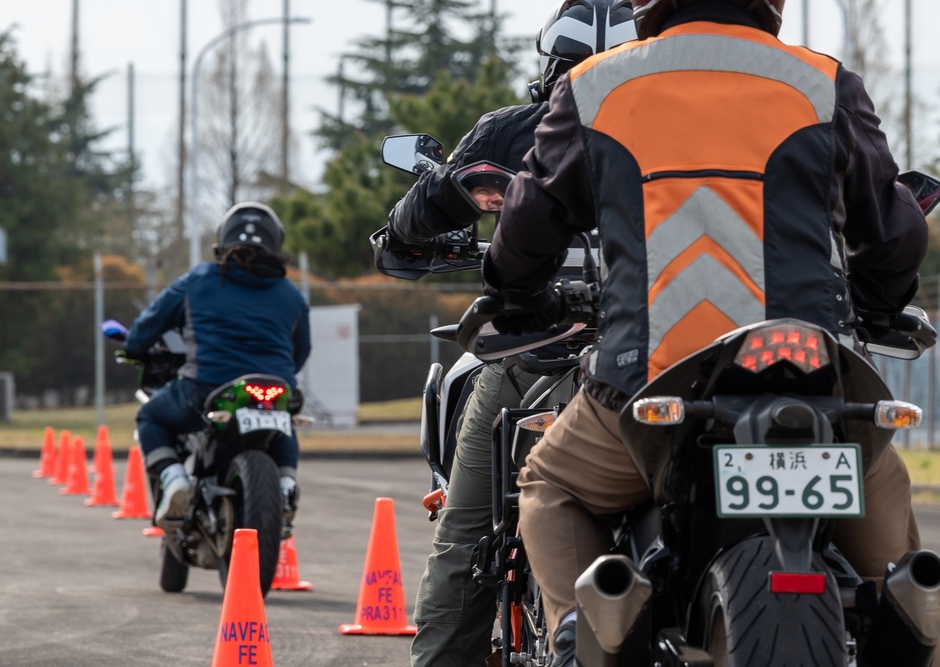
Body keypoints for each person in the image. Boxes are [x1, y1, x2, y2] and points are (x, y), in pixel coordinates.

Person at [479, 0, 930, 664]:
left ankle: (584, 629)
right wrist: (881, 302)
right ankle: (910, 618)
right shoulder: (823, 83)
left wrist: (517, 297)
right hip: (815, 379)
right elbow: (892, 236)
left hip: (644, 389)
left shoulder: (595, 85)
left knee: (551, 484)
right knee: (904, 575)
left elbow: (525, 227)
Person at [385, 2, 637, 665]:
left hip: (537, 352)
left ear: (551, 63)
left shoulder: (517, 131)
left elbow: (419, 215)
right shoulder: (686, 125)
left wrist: (404, 235)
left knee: (466, 533)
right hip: (662, 352)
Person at [125, 202, 311, 527]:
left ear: (223, 239)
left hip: (206, 387)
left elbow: (149, 323)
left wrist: (134, 346)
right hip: (275, 387)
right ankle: (286, 485)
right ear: (276, 243)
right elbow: (301, 352)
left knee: (150, 414)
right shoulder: (291, 295)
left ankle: (174, 479)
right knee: (284, 422)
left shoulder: (199, 280)